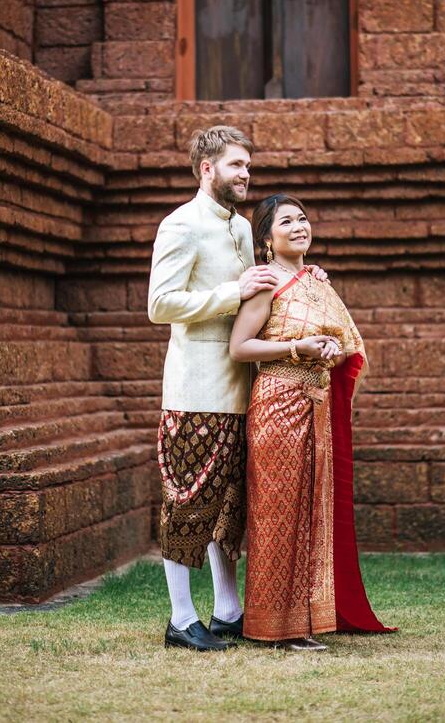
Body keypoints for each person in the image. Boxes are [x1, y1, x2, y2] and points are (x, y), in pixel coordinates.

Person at [148, 126, 329, 652]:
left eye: (248, 165)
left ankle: (227, 611)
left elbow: (266, 291)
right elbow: (160, 305)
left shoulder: (237, 228)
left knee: (229, 510)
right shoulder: (181, 224)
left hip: (244, 394)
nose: (246, 174)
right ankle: (181, 619)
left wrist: (298, 275)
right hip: (195, 391)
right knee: (187, 503)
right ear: (207, 169)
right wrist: (233, 291)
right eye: (235, 166)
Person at [230, 193, 397, 651]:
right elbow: (240, 347)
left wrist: (326, 350)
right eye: (287, 221)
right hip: (278, 404)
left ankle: (305, 621)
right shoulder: (266, 283)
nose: (300, 226)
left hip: (316, 402)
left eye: (303, 218)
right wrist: (296, 349)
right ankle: (271, 627)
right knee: (278, 513)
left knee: (311, 513)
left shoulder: (317, 280)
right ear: (266, 237)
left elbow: (345, 343)